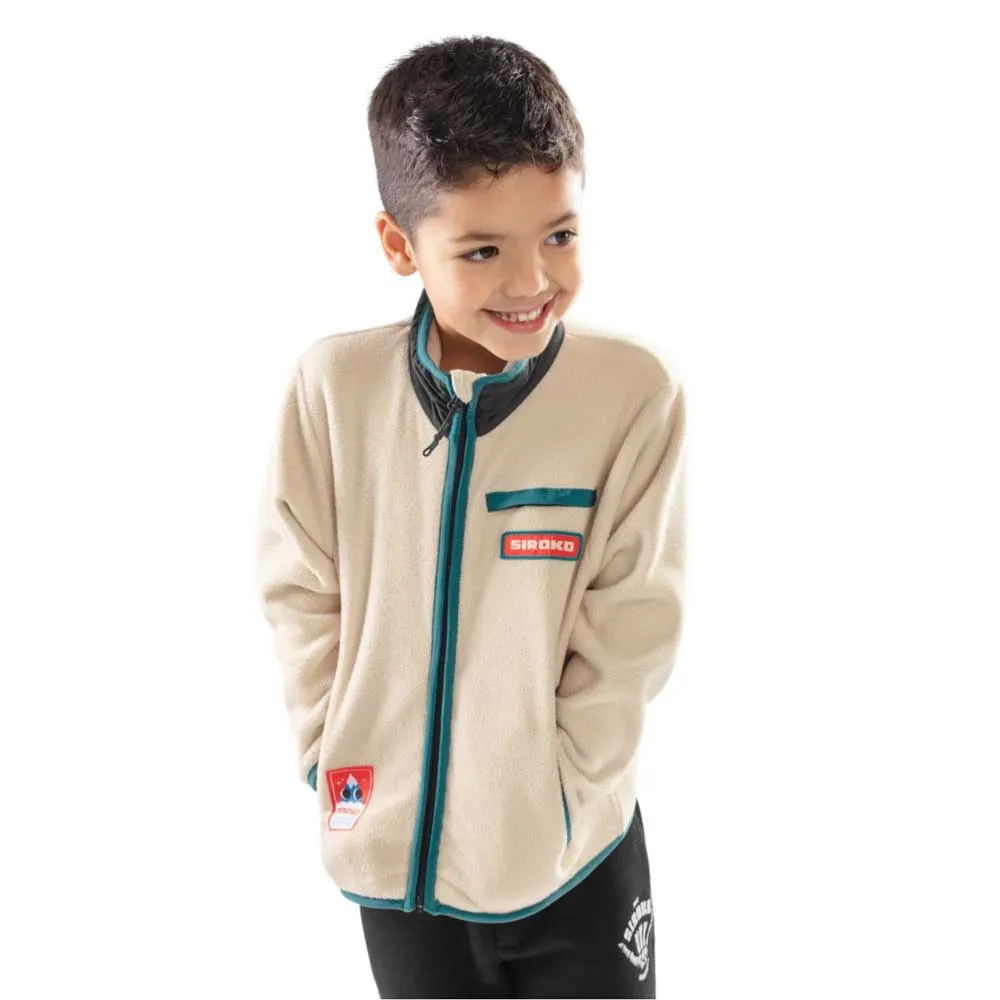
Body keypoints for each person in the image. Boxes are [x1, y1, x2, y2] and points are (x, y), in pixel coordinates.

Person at [254, 34, 686, 999]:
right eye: (483, 250)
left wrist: (564, 795)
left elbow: (632, 625)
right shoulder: (333, 390)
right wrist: (332, 754)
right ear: (399, 246)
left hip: (575, 859)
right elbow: (300, 590)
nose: (532, 281)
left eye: (559, 236)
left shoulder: (631, 395)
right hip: (393, 861)